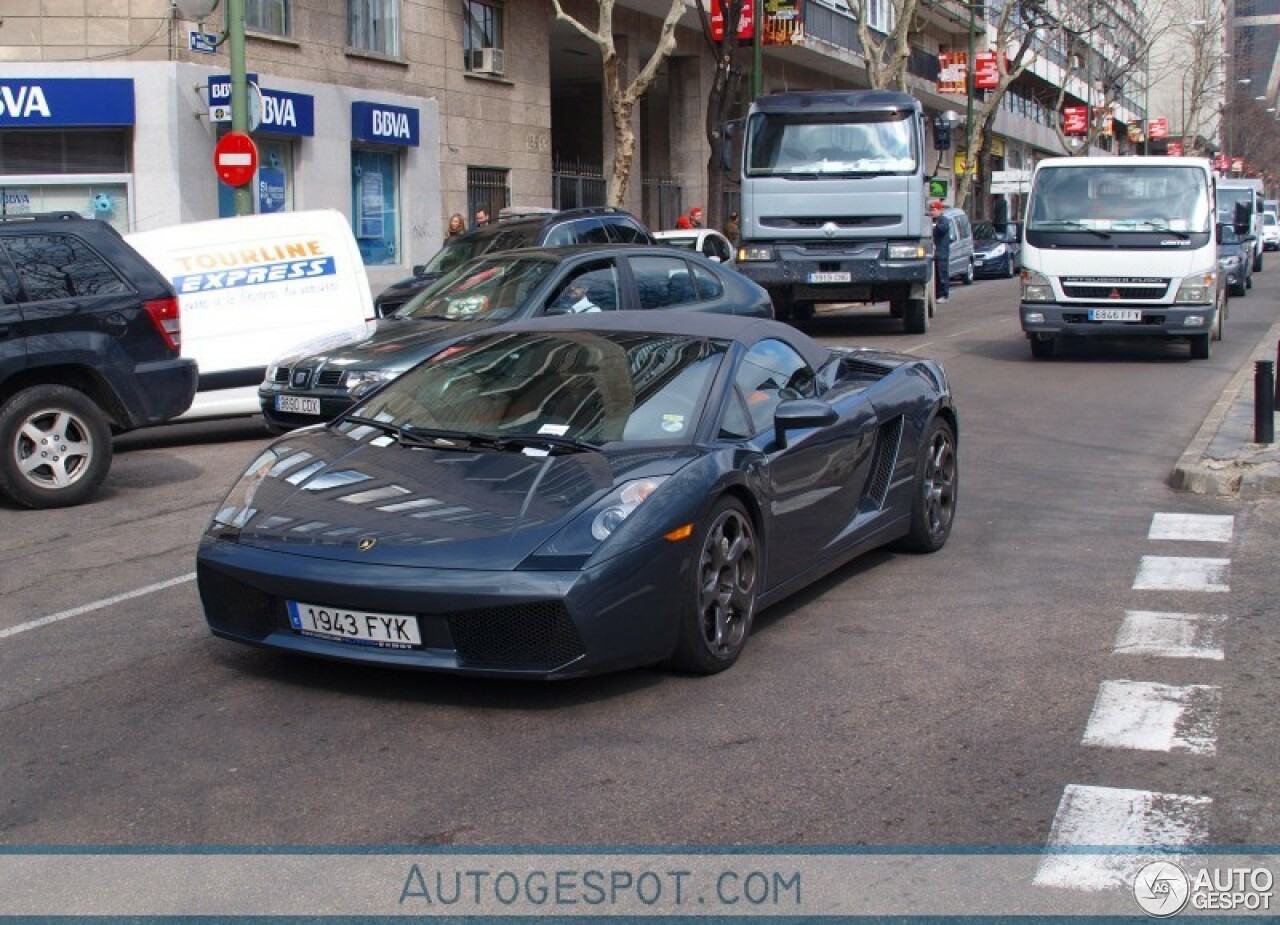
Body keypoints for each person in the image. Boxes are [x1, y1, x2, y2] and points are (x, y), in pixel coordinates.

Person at [929, 199, 952, 303]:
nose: (932, 212)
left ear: (940, 210)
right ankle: (937, 294)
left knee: (942, 274)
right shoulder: (932, 221)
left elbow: (942, 229)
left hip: (942, 253)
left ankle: (944, 295)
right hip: (934, 253)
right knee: (936, 276)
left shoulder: (944, 220)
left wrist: (934, 226)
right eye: (931, 210)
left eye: (934, 210)